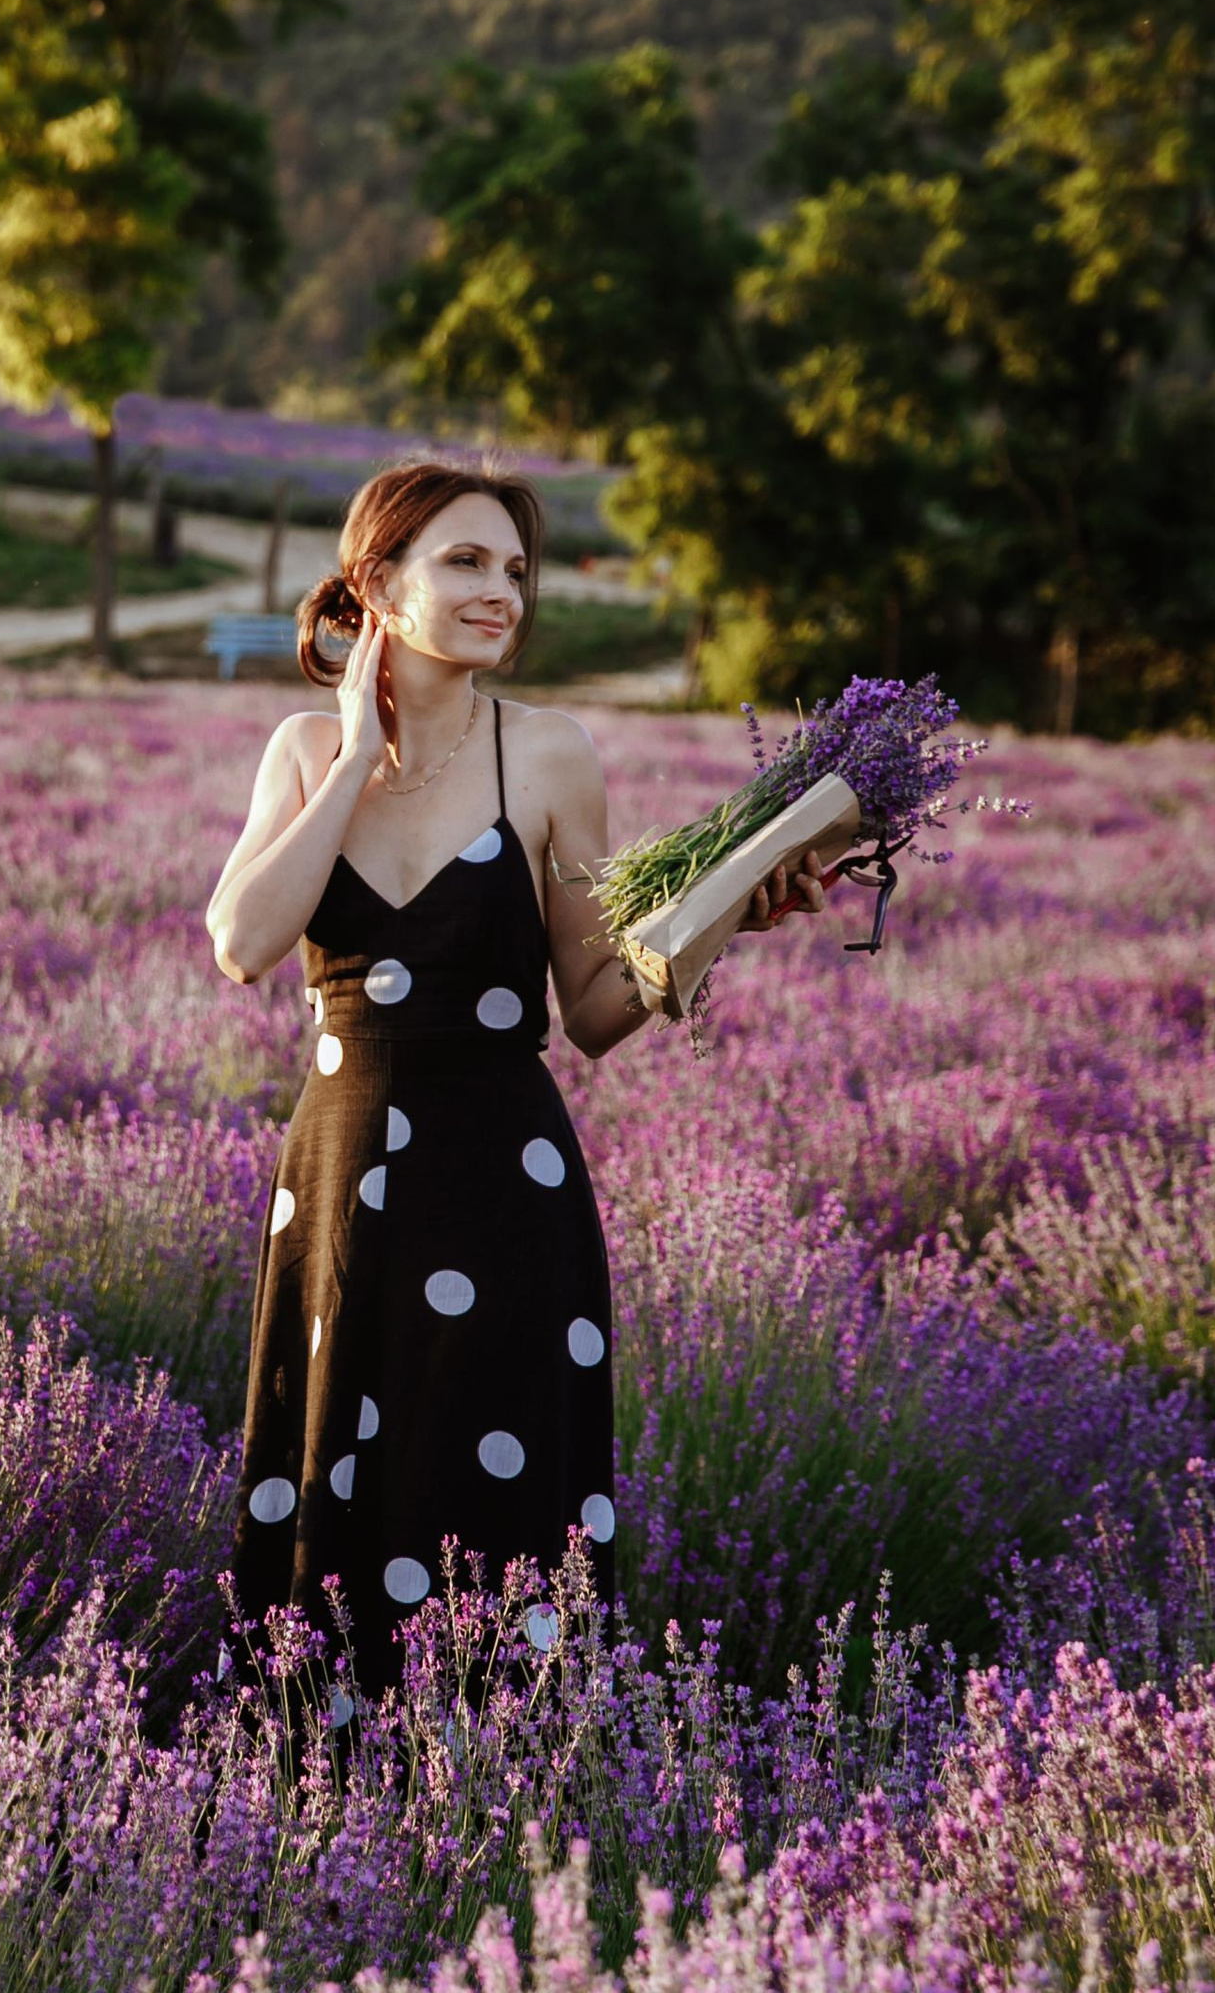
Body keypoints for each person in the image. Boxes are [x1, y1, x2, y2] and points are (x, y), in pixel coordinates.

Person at [203, 461, 818, 1717]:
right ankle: (323, 1778)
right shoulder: (303, 747)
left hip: (505, 1184)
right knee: (341, 1477)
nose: (503, 593)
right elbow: (240, 941)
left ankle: (502, 1778)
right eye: (466, 564)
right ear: (377, 582)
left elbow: (591, 1012)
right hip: (339, 1187)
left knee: (491, 1483)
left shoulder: (546, 756)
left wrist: (716, 927)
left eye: (516, 571)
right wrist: (352, 762)